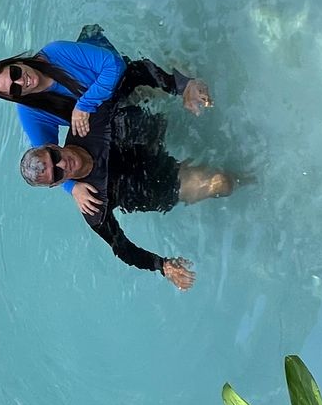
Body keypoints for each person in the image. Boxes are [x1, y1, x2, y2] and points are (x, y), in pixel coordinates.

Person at [0, 26, 211, 215]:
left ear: (17, 62)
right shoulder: (30, 111)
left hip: (114, 72)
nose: (21, 82)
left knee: (152, 88)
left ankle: (185, 79)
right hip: (112, 112)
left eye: (14, 73)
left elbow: (115, 65)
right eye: (14, 89)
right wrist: (73, 187)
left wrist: (84, 104)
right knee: (136, 129)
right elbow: (44, 158)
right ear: (14, 97)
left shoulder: (55, 53)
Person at [19, 104, 236, 291]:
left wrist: (178, 85)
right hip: (153, 184)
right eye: (57, 173)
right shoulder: (93, 204)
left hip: (144, 140)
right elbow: (122, 248)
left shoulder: (84, 124)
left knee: (174, 110)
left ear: (52, 145)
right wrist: (162, 265)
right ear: (57, 183)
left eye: (54, 156)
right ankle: (249, 178)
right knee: (222, 182)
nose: (63, 164)